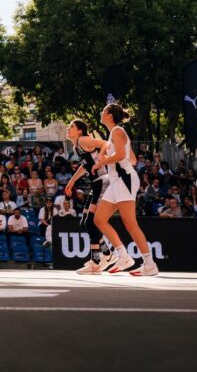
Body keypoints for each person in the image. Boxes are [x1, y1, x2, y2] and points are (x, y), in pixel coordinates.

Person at [86, 103, 158, 276]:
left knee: (130, 223)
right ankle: (124, 257)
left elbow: (120, 156)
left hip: (125, 180)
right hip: (117, 180)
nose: (101, 113)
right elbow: (131, 158)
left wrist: (102, 162)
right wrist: (108, 156)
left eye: (104, 111)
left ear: (110, 115)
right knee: (99, 219)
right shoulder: (114, 134)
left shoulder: (118, 131)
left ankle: (149, 264)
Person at [64, 119, 115, 274]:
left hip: (103, 181)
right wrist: (71, 182)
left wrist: (101, 157)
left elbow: (106, 143)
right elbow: (85, 166)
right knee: (85, 223)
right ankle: (107, 254)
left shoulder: (83, 140)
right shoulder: (77, 146)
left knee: (91, 223)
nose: (68, 128)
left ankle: (96, 261)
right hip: (96, 184)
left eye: (71, 126)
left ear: (79, 131)